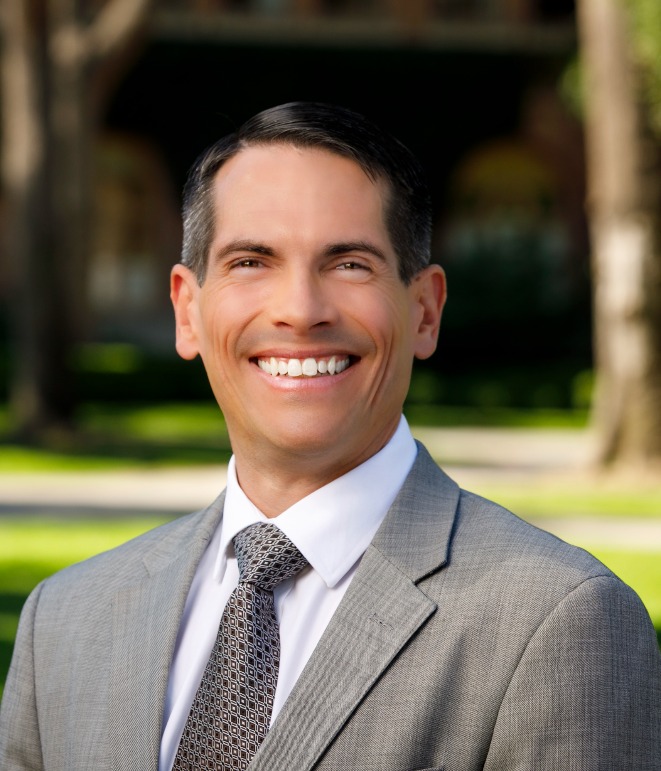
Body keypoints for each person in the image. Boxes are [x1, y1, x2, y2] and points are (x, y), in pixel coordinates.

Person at [1, 101, 660, 771]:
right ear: (187, 311)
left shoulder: (561, 621)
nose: (299, 310)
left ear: (425, 310)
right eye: (251, 261)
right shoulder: (63, 619)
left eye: (348, 264)